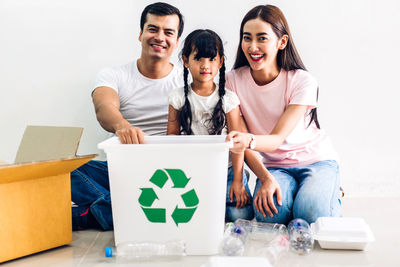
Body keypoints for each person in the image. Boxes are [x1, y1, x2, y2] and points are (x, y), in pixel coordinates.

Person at [71, 2, 184, 231]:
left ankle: (99, 213)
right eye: (153, 29)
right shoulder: (114, 75)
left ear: (177, 41)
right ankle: (126, 208)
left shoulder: (189, 79)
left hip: (172, 175)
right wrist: (123, 126)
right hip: (123, 168)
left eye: (168, 32)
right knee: (63, 169)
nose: (160, 37)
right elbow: (104, 107)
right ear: (141, 33)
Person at [226, 5, 341, 225]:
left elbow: (276, 139)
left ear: (282, 42)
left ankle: (332, 191)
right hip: (275, 166)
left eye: (262, 38)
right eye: (246, 38)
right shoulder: (232, 81)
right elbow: (240, 140)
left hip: (317, 160)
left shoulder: (302, 81)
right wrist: (265, 178)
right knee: (269, 215)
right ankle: (305, 192)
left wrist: (247, 140)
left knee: (311, 214)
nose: (253, 47)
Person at [167, 29, 258, 222]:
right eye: (198, 58)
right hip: (193, 169)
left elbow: (237, 144)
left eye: (211, 59)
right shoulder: (177, 97)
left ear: (221, 61)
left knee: (239, 216)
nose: (205, 65)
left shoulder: (228, 100)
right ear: (185, 61)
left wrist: (237, 181)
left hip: (227, 169)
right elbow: (171, 139)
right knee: (199, 216)